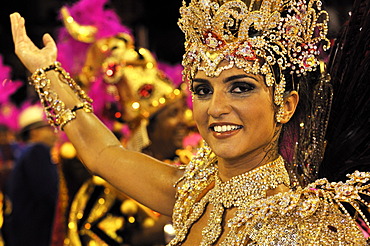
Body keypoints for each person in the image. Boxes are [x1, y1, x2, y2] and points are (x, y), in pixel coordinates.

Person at [9, 0, 370, 244]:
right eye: (203, 89)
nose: (216, 108)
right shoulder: (194, 192)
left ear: (286, 105)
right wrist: (45, 72)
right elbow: (102, 152)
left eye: (240, 88)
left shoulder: (305, 227)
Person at [3, 104, 59, 246]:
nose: (54, 131)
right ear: (34, 132)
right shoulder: (37, 152)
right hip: (37, 234)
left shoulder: (26, 154)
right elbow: (49, 193)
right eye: (48, 127)